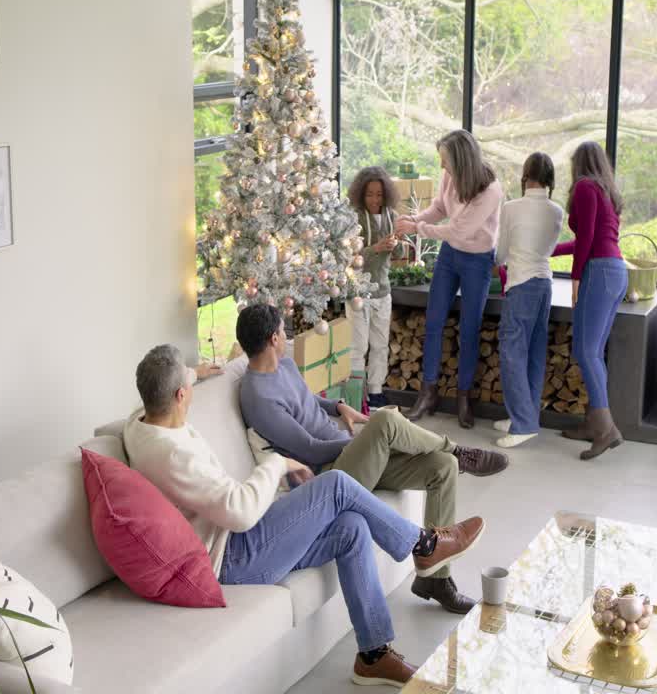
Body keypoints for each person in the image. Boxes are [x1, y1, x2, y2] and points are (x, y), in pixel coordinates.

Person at [125, 345, 486, 688]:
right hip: (234, 555)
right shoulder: (174, 456)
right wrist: (276, 464)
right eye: (188, 385)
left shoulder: (141, 423)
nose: (191, 386)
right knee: (336, 486)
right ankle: (422, 544)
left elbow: (171, 378)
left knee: (352, 527)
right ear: (180, 396)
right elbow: (239, 512)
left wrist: (195, 371)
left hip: (238, 539)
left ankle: (374, 654)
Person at [234, 303, 507, 614]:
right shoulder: (258, 398)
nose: (286, 336)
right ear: (273, 339)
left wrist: (339, 407)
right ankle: (457, 448)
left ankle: (436, 581)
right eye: (284, 331)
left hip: (351, 456)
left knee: (443, 467)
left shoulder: (284, 366)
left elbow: (307, 400)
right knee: (385, 422)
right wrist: (364, 443)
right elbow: (309, 448)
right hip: (329, 474)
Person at [394, 130, 503, 429]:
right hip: (449, 256)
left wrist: (418, 229)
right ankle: (428, 393)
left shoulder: (490, 190)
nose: (442, 167)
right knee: (433, 322)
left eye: (446, 161)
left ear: (461, 161)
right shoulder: (451, 178)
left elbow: (458, 230)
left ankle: (464, 398)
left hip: (478, 261)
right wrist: (417, 220)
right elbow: (440, 209)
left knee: (469, 329)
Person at [551, 142, 627, 460]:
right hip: (616, 271)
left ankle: (606, 429)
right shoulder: (606, 191)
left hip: (597, 272)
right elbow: (594, 238)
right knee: (593, 352)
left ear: (578, 164)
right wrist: (549, 251)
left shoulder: (584, 187)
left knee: (586, 351)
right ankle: (591, 422)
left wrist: (576, 280)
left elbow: (585, 241)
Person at [493, 153, 564, 449]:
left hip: (521, 284)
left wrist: (498, 262)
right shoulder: (556, 211)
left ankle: (522, 423)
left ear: (526, 175)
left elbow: (502, 253)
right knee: (533, 353)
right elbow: (545, 247)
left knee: (511, 353)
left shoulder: (511, 208)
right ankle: (525, 415)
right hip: (544, 284)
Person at [347, 166, 399, 410]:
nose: (375, 199)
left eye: (379, 194)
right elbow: (348, 257)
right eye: (370, 194)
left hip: (383, 291)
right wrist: (375, 248)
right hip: (358, 292)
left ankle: (376, 392)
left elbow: (397, 256)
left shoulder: (392, 217)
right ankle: (356, 397)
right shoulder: (353, 219)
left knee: (380, 345)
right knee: (359, 346)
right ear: (360, 194)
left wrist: (395, 245)